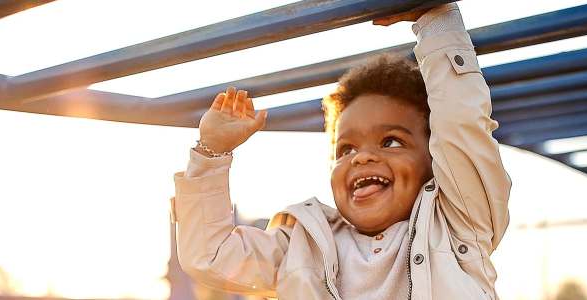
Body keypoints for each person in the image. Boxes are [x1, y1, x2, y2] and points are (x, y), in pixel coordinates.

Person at [170, 3, 510, 299]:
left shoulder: (457, 222)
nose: (361, 157)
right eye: (345, 149)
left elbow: (461, 123)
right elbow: (210, 256)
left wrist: (437, 19)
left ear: (435, 159)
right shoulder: (303, 245)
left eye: (391, 141)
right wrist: (211, 152)